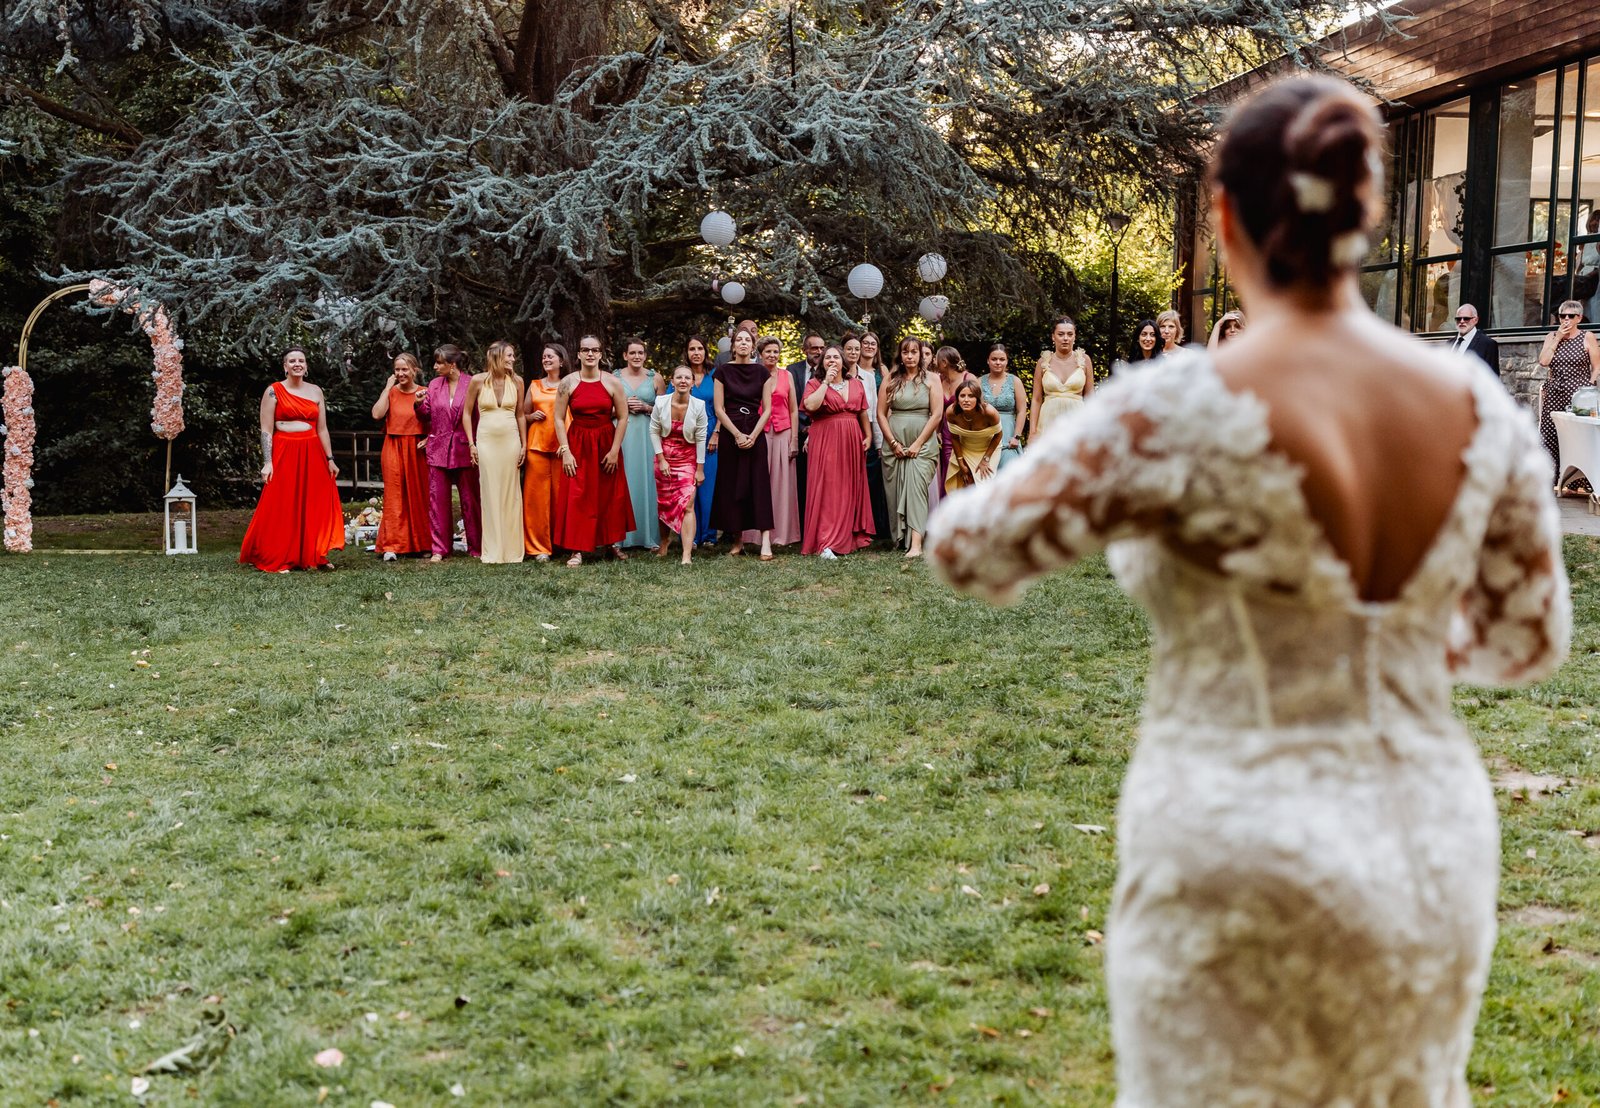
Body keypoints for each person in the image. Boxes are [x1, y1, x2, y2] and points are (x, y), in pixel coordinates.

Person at [929, 75, 1570, 1106]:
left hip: (1229, 835)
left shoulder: (1178, 408)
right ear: (1368, 216)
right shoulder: (1476, 409)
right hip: (1424, 841)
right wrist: (1385, 642)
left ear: (1225, 218)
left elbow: (967, 548)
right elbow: (1525, 640)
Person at [240, 347, 345, 572]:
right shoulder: (273, 391)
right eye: (292, 361)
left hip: (312, 451)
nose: (297, 364)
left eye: (301, 361)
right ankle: (279, 555)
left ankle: (313, 554)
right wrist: (267, 461)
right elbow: (266, 430)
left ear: (306, 366)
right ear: (285, 366)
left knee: (312, 503)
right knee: (282, 502)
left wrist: (330, 458)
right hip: (284, 450)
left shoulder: (316, 391)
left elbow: (322, 429)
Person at [554, 335, 634, 566]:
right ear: (579, 354)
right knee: (577, 494)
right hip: (578, 442)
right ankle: (576, 549)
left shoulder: (612, 382)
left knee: (610, 494)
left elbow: (623, 416)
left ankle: (611, 544)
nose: (590, 354)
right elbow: (558, 418)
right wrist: (566, 451)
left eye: (595, 350)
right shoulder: (567, 382)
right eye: (585, 350)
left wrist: (614, 450)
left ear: (600, 354)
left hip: (606, 442)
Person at [801, 344, 874, 557]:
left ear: (843, 361)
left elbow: (862, 412)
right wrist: (826, 382)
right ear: (822, 363)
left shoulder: (856, 384)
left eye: (835, 357)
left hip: (851, 439)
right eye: (827, 358)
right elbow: (811, 406)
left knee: (848, 487)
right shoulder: (814, 383)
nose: (832, 361)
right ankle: (826, 542)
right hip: (825, 439)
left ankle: (846, 536)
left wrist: (868, 436)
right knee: (828, 488)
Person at [711, 328, 776, 558]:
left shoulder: (762, 372)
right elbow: (719, 408)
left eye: (747, 340)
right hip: (731, 431)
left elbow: (767, 409)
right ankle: (738, 541)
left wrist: (753, 436)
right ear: (733, 345)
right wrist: (737, 435)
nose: (743, 343)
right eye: (739, 339)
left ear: (753, 345)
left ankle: (765, 541)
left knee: (759, 484)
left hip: (755, 431)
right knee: (733, 484)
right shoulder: (722, 372)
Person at [878, 336, 943, 557]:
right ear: (900, 355)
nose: (910, 356)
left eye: (914, 352)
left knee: (916, 488)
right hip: (894, 442)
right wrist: (893, 443)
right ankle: (901, 538)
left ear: (921, 354)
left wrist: (917, 443)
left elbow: (937, 415)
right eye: (906, 352)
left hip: (922, 444)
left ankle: (916, 544)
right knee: (896, 492)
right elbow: (880, 414)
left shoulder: (932, 379)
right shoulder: (891, 379)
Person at [415, 344, 480, 562]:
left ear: (452, 365)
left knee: (471, 500)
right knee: (438, 500)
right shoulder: (434, 385)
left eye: (439, 363)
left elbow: (478, 415)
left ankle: (476, 547)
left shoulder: (472, 383)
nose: (435, 367)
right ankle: (440, 549)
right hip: (438, 449)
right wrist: (418, 404)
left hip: (465, 448)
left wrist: (476, 444)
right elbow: (426, 414)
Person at [463, 340, 526, 564]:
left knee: (511, 492)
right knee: (489, 490)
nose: (513, 359)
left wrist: (524, 445)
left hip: (511, 440)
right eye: (509, 355)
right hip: (486, 441)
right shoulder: (478, 381)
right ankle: (493, 549)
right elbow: (467, 414)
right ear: (497, 356)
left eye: (513, 355)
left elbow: (520, 414)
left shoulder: (517, 381)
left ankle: (512, 550)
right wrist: (471, 444)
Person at [1537, 299, 1600, 493]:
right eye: (1562, 316)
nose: (1566, 319)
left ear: (1579, 318)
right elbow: (1543, 361)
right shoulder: (1551, 336)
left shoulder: (1587, 337)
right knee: (1549, 435)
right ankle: (1549, 480)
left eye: (1570, 316)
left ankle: (1576, 482)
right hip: (1555, 392)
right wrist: (1557, 338)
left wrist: (1589, 388)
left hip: (1579, 395)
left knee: (1578, 437)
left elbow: (1597, 366)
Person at [370, 352, 429, 560]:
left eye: (405, 369)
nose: (401, 373)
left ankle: (423, 543)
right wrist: (387, 388)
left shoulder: (424, 392)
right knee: (394, 494)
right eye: (397, 369)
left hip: (417, 447)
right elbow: (377, 414)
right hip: (393, 445)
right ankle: (392, 545)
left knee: (418, 494)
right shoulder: (392, 392)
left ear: (415, 370)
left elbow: (436, 420)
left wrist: (429, 438)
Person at [745, 336, 801, 548]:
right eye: (768, 351)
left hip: (783, 432)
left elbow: (794, 409)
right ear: (760, 354)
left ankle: (782, 534)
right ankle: (753, 535)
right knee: (758, 482)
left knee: (783, 484)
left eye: (775, 351)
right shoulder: (753, 374)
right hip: (758, 432)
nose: (772, 355)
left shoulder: (787, 376)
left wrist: (794, 439)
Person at [651, 365, 707, 564]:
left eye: (687, 378)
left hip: (687, 459)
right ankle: (664, 541)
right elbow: (654, 430)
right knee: (664, 503)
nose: (683, 381)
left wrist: (700, 469)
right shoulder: (661, 402)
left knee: (688, 504)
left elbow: (701, 438)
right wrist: (661, 459)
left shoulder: (699, 405)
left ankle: (686, 554)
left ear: (692, 383)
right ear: (672, 381)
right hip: (664, 458)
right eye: (679, 377)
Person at [616, 337, 664, 551]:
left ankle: (649, 536)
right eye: (632, 353)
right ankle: (620, 536)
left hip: (647, 434)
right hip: (623, 433)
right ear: (625, 355)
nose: (637, 356)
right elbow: (606, 408)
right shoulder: (614, 378)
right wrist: (622, 407)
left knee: (647, 480)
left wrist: (646, 407)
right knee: (624, 479)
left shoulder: (656, 378)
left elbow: (664, 411)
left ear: (645, 356)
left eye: (640, 353)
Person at [522, 343, 569, 562]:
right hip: (537, 446)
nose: (546, 360)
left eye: (550, 356)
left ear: (561, 361)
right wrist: (531, 417)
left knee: (561, 496)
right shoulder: (534, 385)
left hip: (562, 448)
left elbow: (574, 415)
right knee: (536, 498)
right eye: (544, 357)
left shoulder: (569, 384)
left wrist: (566, 445)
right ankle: (538, 547)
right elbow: (523, 414)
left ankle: (561, 543)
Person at [845, 333, 892, 545]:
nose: (868, 347)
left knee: (871, 480)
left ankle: (871, 526)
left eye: (873, 344)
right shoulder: (842, 371)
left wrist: (879, 440)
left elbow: (876, 410)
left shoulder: (879, 373)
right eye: (865, 343)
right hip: (846, 427)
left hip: (870, 429)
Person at [1029, 318, 1093, 441]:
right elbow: (1036, 399)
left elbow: (1090, 397)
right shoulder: (1043, 362)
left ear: (1074, 337)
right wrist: (1032, 432)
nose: (1065, 338)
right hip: (1048, 422)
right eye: (1061, 334)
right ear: (1053, 337)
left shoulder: (1085, 360)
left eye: (1070, 334)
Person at [786, 333, 825, 521]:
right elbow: (790, 403)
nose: (819, 352)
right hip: (799, 432)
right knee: (801, 479)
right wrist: (803, 427)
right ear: (805, 350)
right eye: (814, 348)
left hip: (823, 431)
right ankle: (801, 523)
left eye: (822, 348)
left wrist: (815, 426)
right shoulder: (792, 370)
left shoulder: (829, 371)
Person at [687, 335, 719, 547]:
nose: (696, 352)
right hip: (687, 435)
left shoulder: (715, 376)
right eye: (692, 349)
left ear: (706, 352)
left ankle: (708, 535)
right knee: (689, 485)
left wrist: (717, 433)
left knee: (708, 485)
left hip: (710, 434)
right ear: (687, 352)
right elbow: (669, 403)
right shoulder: (682, 375)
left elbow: (722, 406)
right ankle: (692, 535)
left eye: (700, 348)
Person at [943, 380, 1002, 491]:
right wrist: (960, 462)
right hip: (965, 448)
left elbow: (998, 435)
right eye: (962, 396)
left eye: (971, 396)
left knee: (984, 486)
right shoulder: (951, 412)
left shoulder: (989, 413)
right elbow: (954, 438)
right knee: (964, 484)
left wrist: (986, 459)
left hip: (988, 449)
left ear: (978, 398)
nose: (966, 400)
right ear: (957, 398)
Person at [979, 343, 1028, 469]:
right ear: (988, 361)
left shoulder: (1015, 381)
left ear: (1007, 361)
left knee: (1009, 473)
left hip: (1009, 438)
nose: (998, 363)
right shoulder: (979, 382)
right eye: (994, 359)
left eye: (1002, 359)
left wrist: (1016, 436)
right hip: (985, 438)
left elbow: (1022, 411)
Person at [1449, 303, 1500, 377]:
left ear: (1475, 320)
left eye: (1466, 318)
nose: (1462, 321)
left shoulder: (1487, 344)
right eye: (1458, 319)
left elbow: (1493, 377)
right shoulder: (1449, 343)